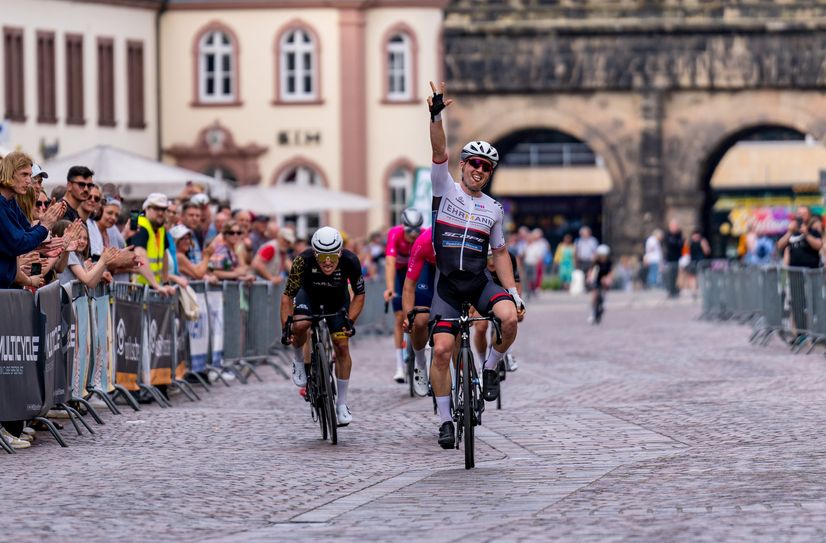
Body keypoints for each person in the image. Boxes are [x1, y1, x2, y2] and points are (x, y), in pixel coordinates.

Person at [427, 80, 524, 449]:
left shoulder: (493, 209)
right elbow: (439, 151)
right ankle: (445, 419)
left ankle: (490, 368)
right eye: (474, 163)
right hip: (448, 286)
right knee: (441, 351)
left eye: (486, 166)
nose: (479, 170)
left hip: (478, 281)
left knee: (509, 318)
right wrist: (436, 117)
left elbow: (499, 253)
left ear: (489, 172)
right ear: (463, 166)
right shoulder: (444, 188)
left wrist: (513, 292)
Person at [280, 227, 365, 427]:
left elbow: (360, 294)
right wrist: (286, 328)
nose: (327, 261)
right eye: (322, 256)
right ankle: (299, 360)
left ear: (340, 253)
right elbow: (287, 297)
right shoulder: (302, 260)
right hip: (308, 296)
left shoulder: (351, 261)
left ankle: (341, 404)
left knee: (342, 345)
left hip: (337, 300)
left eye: (332, 256)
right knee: (301, 325)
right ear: (315, 253)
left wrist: (350, 321)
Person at [383, 208, 424, 383]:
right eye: (409, 231)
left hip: (418, 273)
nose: (413, 235)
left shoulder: (424, 235)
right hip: (400, 274)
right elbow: (390, 263)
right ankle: (399, 366)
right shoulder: (394, 234)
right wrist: (389, 288)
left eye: (416, 230)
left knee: (422, 312)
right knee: (400, 316)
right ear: (403, 227)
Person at [473, 248, 524, 370]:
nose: (491, 262)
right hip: (481, 290)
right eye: (488, 258)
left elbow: (516, 285)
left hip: (503, 289)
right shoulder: (475, 259)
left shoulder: (509, 258)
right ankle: (481, 363)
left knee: (510, 319)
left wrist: (519, 308)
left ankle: (508, 352)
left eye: (493, 258)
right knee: (480, 326)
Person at [401, 226, 437, 396]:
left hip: (451, 274)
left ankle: (459, 371)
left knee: (458, 323)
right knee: (420, 320)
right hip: (428, 271)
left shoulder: (461, 237)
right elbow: (408, 287)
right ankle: (420, 363)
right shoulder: (423, 241)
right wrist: (408, 318)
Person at [128, 193, 175, 295]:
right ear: (147, 209)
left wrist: (165, 282)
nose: (161, 213)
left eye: (163, 209)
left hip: (151, 288)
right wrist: (157, 286)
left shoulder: (160, 228)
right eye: (156, 209)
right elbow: (140, 256)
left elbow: (164, 254)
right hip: (136, 289)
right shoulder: (140, 225)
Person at [587, 244, 613, 324]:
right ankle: (592, 313)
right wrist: (589, 278)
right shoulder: (596, 262)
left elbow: (610, 273)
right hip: (596, 279)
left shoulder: (608, 262)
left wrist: (608, 279)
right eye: (601, 255)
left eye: (604, 255)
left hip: (604, 280)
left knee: (604, 293)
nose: (602, 257)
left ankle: (604, 303)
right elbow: (591, 271)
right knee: (594, 295)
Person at [684, 228, 711, 298]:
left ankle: (702, 290)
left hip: (701, 261)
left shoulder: (702, 241)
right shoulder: (689, 242)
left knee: (701, 276)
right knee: (692, 277)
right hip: (692, 262)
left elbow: (707, 252)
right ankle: (694, 292)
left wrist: (704, 245)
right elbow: (685, 252)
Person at [663, 220, 684, 298]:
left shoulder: (679, 234)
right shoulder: (667, 235)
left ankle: (675, 290)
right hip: (669, 259)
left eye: (675, 226)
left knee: (675, 275)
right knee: (669, 275)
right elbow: (669, 244)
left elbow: (681, 244)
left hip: (677, 258)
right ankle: (670, 290)